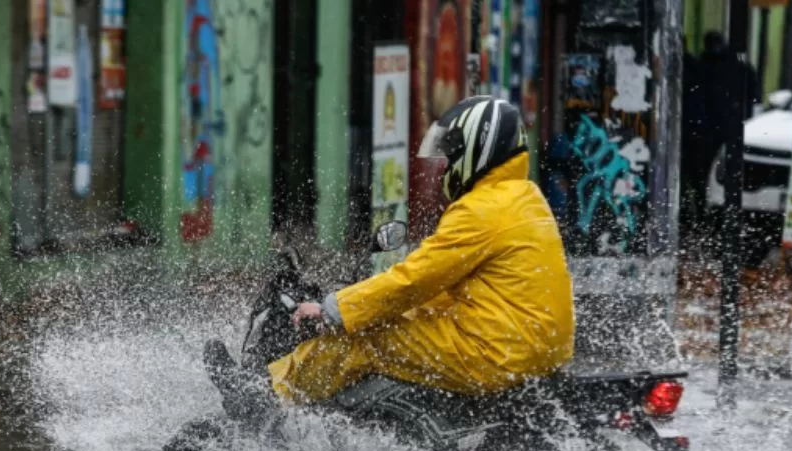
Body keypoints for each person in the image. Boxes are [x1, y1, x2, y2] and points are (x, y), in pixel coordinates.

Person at [211, 96, 576, 416]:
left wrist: (333, 309)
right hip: (535, 349)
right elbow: (450, 283)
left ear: (480, 149)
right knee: (406, 318)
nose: (447, 167)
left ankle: (264, 398)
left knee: (362, 339)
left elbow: (415, 279)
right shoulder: (526, 198)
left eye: (453, 157)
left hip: (496, 349)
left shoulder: (483, 208)